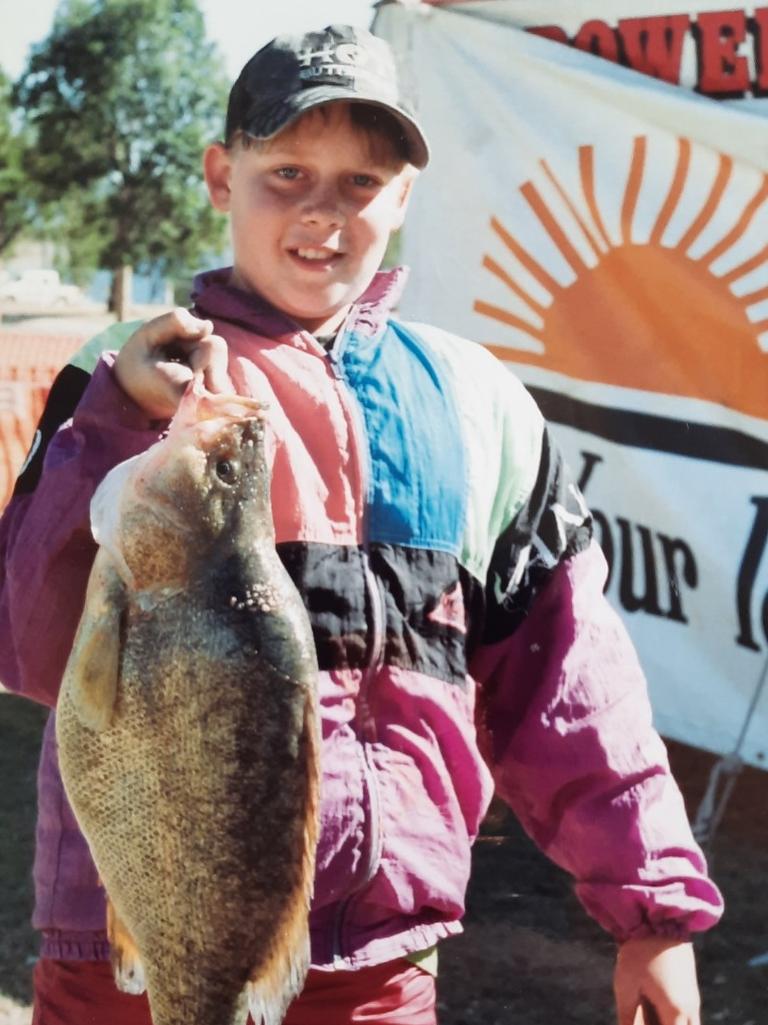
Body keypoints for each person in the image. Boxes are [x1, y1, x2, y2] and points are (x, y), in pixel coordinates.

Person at [0, 23, 722, 1025]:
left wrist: (654, 910)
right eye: (286, 172)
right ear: (220, 174)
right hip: (130, 943)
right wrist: (119, 415)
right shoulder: (125, 371)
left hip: (375, 967)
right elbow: (32, 640)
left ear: (406, 198)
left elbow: (570, 678)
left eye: (361, 181)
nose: (322, 214)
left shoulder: (478, 403)